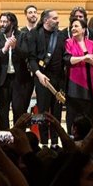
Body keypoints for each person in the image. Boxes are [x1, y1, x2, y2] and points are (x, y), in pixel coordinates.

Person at [27, 9, 68, 146]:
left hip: (58, 79)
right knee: (43, 112)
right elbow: (31, 58)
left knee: (56, 114)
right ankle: (44, 143)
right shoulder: (34, 34)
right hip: (42, 78)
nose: (57, 21)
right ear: (46, 20)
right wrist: (38, 74)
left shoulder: (61, 36)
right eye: (55, 18)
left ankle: (55, 143)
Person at [63, 17, 93, 134]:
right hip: (74, 83)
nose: (73, 28)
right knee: (73, 113)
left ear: (84, 29)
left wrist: (91, 61)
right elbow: (67, 59)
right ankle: (72, 137)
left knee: (89, 114)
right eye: (72, 26)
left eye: (76, 26)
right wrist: (84, 58)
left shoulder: (91, 44)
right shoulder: (68, 42)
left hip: (90, 83)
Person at [0, 12, 22, 129]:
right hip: (2, 79)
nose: (2, 24)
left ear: (12, 23)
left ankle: (18, 137)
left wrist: (15, 47)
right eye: (1, 22)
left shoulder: (21, 35)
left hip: (18, 79)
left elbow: (27, 54)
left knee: (18, 110)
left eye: (5, 22)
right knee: (3, 112)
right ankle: (5, 139)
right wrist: (4, 49)